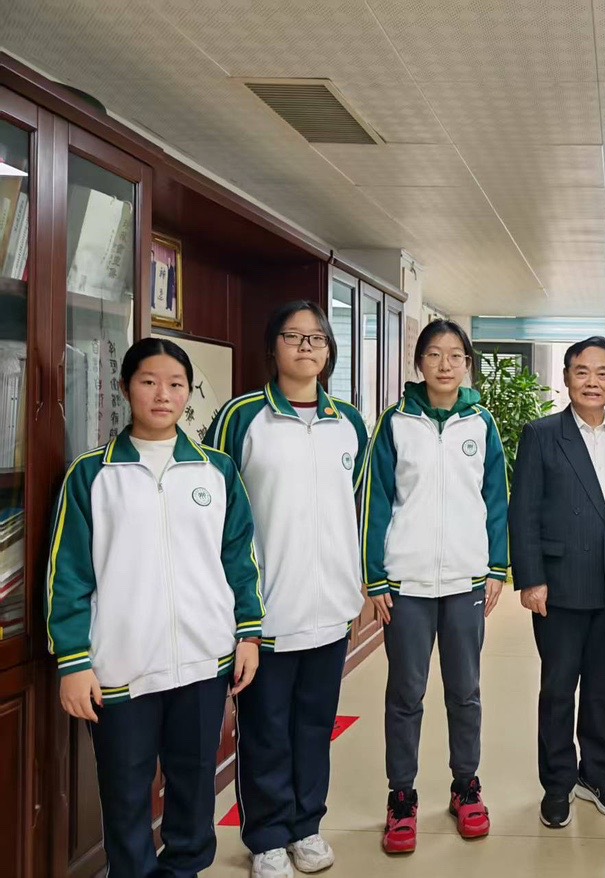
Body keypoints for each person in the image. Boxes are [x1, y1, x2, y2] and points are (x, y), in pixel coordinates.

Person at [45, 338, 263, 878]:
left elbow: (240, 559)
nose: (162, 395)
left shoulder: (217, 470)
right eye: (148, 382)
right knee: (125, 794)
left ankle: (185, 869)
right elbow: (67, 575)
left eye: (175, 384)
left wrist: (248, 634)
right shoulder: (91, 475)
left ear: (188, 393)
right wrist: (73, 661)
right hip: (121, 668)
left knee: (194, 789)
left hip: (204, 661)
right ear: (125, 388)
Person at [204, 301, 368, 878]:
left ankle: (306, 826)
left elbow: (353, 501)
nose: (305, 347)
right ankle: (268, 837)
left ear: (329, 351)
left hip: (331, 608)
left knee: (315, 727)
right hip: (267, 610)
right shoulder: (242, 416)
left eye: (316, 338)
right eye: (293, 337)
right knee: (265, 729)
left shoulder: (349, 422)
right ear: (272, 347)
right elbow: (216, 509)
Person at [358, 319, 509, 854]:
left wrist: (496, 567)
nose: (445, 365)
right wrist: (375, 575)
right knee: (406, 693)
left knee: (465, 691)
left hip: (465, 579)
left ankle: (465, 785)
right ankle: (401, 795)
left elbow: (496, 499)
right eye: (434, 354)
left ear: (467, 363)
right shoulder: (395, 422)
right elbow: (375, 500)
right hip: (407, 582)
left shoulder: (481, 423)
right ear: (418, 362)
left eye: (455, 355)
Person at [509, 336, 605, 829]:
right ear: (567, 377)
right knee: (558, 688)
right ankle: (557, 782)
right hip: (559, 584)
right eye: (582, 372)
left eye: (602, 372)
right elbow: (524, 512)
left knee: (602, 687)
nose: (592, 382)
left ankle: (598, 775)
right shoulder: (541, 434)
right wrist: (531, 579)